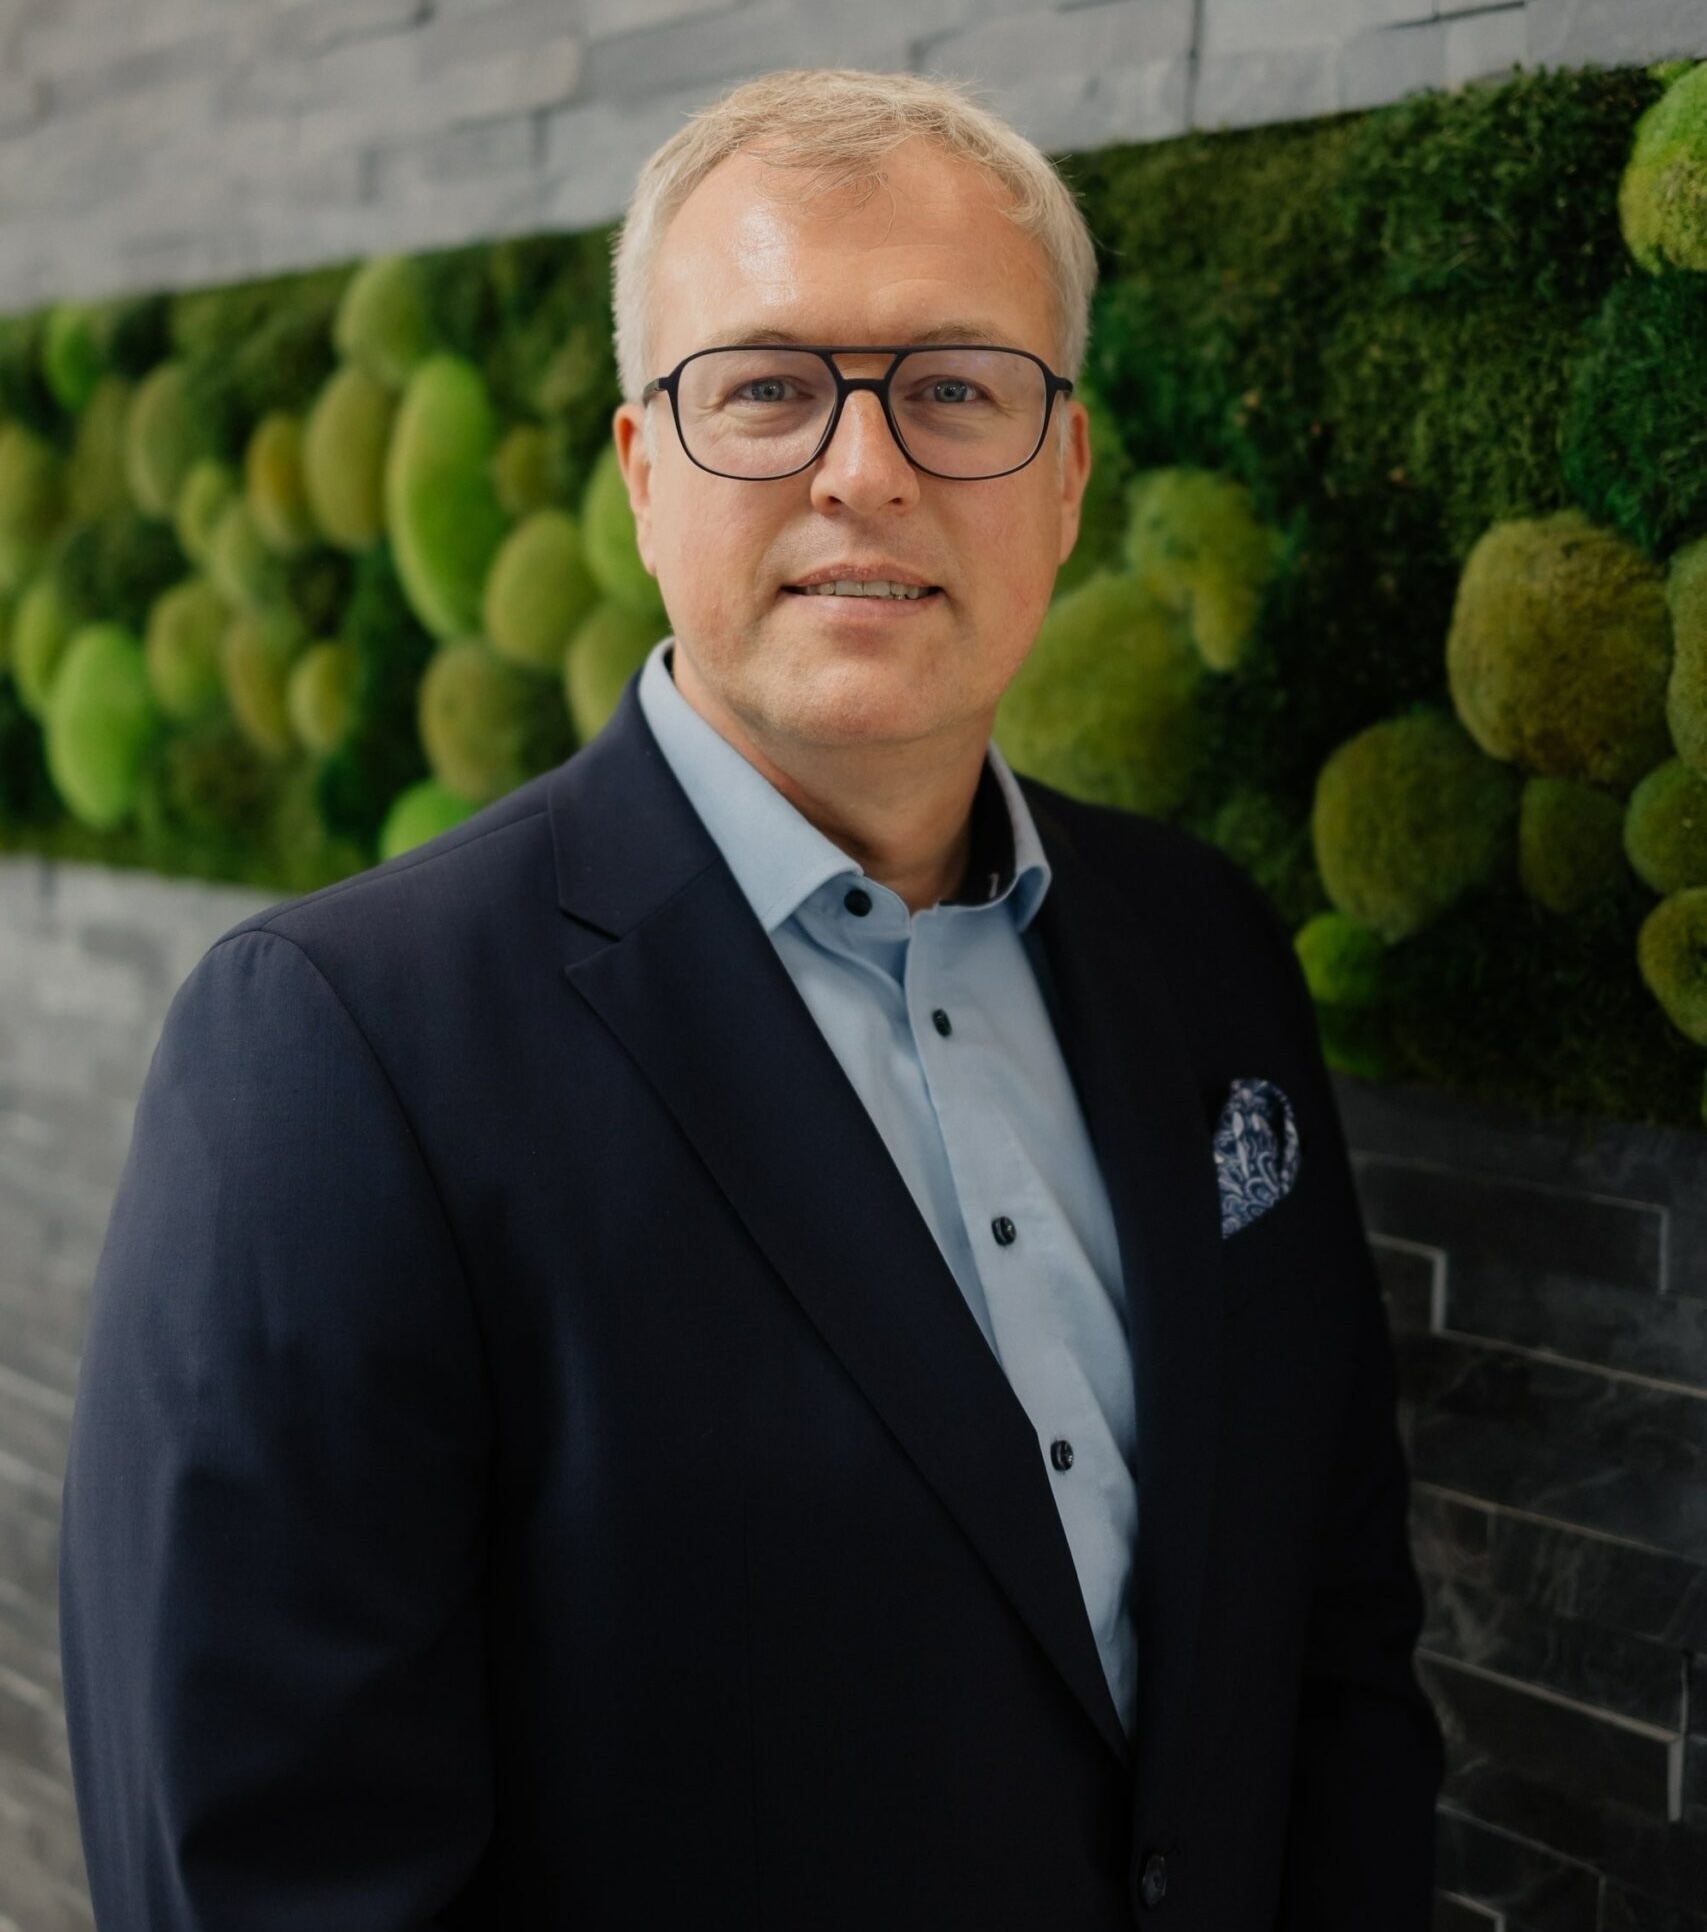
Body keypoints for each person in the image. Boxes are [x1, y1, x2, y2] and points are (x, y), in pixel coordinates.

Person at [58, 65, 1444, 1930]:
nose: (864, 468)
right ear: (645, 475)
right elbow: (267, 1869)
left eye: (956, 388)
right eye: (770, 389)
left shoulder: (1205, 952)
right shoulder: (339, 1045)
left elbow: (1333, 1644)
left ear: (1065, 480)